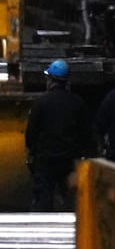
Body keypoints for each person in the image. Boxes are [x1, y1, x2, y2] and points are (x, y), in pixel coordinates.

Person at [25, 59, 92, 211]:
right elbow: (86, 133)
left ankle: (41, 228)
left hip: (46, 159)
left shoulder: (41, 103)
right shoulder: (78, 103)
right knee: (71, 201)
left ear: (50, 80)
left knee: (43, 199)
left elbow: (32, 132)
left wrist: (33, 152)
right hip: (69, 159)